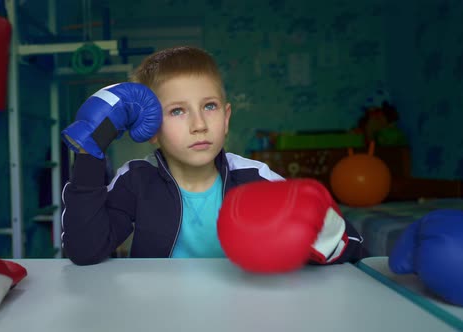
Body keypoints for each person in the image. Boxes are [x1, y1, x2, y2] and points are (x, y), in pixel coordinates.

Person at [60, 46, 364, 266]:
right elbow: (85, 250)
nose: (199, 125)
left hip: (242, 310)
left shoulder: (255, 178)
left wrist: (315, 229)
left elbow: (353, 246)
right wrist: (89, 152)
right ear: (152, 128)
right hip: (158, 312)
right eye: (177, 110)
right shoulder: (137, 179)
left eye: (209, 106)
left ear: (227, 117)